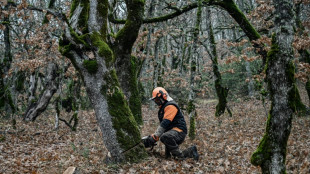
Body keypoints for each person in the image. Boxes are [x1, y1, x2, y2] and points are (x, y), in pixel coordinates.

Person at [143, 87, 199, 161]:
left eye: (157, 99)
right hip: (172, 131)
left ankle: (181, 157)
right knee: (168, 156)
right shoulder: (164, 106)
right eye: (155, 100)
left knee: (165, 137)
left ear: (163, 96)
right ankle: (190, 151)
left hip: (179, 132)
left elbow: (165, 123)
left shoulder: (170, 106)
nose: (156, 102)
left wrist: (155, 136)